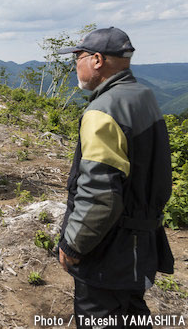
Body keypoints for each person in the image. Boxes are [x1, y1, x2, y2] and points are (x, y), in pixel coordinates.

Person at [56, 27, 174, 328]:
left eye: (78, 58)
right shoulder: (143, 96)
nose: (75, 65)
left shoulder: (103, 111)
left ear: (97, 60)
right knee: (132, 314)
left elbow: (100, 195)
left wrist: (72, 246)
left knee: (100, 317)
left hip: (108, 251)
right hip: (140, 244)